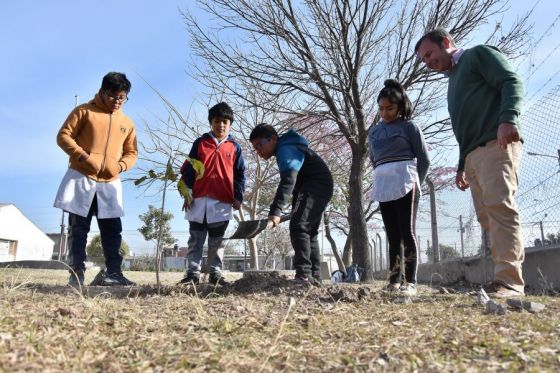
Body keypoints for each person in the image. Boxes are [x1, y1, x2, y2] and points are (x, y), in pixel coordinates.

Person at [415, 29, 525, 297]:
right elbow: (465, 126)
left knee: (500, 208)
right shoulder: (453, 81)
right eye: (423, 60)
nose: (428, 62)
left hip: (495, 143)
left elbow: (511, 81)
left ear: (447, 43)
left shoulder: (478, 55)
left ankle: (510, 282)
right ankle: (501, 278)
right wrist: (462, 164)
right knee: (486, 217)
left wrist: (508, 118)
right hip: (473, 154)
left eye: (429, 54)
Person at [54, 72, 138, 287]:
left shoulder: (127, 123)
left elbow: (132, 152)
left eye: (122, 98)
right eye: (113, 96)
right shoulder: (84, 111)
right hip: (82, 177)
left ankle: (114, 273)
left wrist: (120, 166)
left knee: (112, 230)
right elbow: (63, 136)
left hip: (110, 182)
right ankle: (76, 273)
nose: (117, 101)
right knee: (78, 229)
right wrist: (84, 156)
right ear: (102, 92)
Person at [249, 124, 333, 286]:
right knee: (309, 230)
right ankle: (314, 276)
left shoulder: (285, 149)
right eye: (255, 148)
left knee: (299, 226)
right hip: (316, 185)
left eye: (260, 145)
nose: (258, 151)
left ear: (273, 139)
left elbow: (288, 180)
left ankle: (303, 274)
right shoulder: (290, 146)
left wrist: (275, 211)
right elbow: (295, 184)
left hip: (315, 185)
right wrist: (294, 206)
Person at [368, 79, 430, 296]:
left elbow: (423, 159)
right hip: (384, 184)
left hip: (405, 181)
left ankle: (410, 281)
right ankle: (393, 280)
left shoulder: (409, 127)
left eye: (390, 108)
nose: (385, 113)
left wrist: (416, 183)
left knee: (407, 231)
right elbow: (373, 159)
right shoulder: (374, 132)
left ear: (400, 107)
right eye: (381, 108)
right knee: (392, 234)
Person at [178, 102, 246, 286]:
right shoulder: (200, 143)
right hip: (198, 199)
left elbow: (240, 174)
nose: (221, 125)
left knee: (218, 241)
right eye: (217, 121)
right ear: (211, 122)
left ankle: (215, 273)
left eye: (225, 121)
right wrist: (187, 192)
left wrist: (238, 197)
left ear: (230, 123)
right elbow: (190, 168)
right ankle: (193, 274)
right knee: (195, 239)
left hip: (222, 200)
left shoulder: (235, 147)